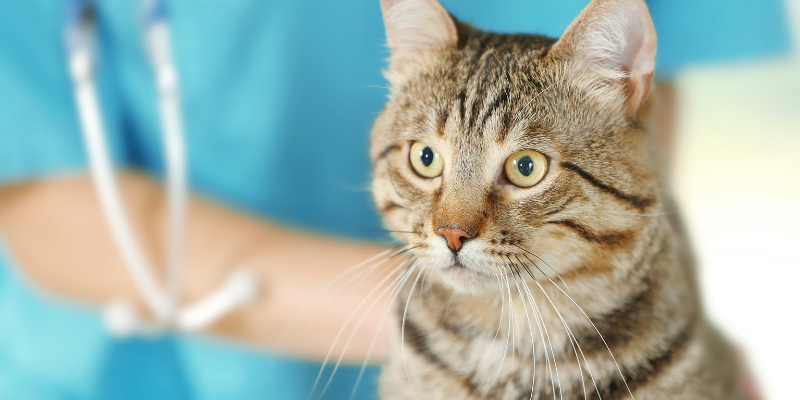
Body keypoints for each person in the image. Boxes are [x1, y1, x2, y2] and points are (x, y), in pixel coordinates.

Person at [0, 0, 790, 399]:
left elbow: (639, 126)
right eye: (426, 160)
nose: (455, 224)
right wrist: (454, 337)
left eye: (520, 171)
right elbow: (38, 201)